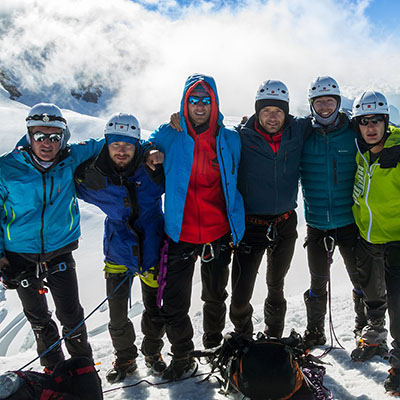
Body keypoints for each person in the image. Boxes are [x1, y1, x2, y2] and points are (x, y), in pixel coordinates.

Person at [147, 73, 245, 380]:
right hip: (180, 232)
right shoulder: (169, 134)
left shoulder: (229, 139)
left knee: (215, 296)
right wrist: (149, 153)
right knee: (175, 302)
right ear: (184, 103)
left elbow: (238, 174)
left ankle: (213, 347)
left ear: (214, 103)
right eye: (193, 100)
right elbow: (144, 148)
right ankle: (183, 356)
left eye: (206, 100)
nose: (199, 106)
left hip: (218, 231)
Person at [0, 103, 104, 371]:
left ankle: (83, 370)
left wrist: (154, 143)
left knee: (71, 315)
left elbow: (112, 142)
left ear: (63, 136)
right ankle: (53, 371)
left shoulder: (71, 157)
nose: (47, 142)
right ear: (29, 135)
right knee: (39, 320)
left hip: (60, 250)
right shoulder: (6, 167)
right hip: (19, 255)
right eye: (40, 135)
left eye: (54, 136)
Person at [75, 113, 166, 383]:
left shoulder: (154, 170)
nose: (122, 150)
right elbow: (59, 168)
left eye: (128, 144)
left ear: (137, 145)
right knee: (117, 316)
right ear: (107, 144)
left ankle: (153, 353)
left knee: (155, 310)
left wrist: (150, 150)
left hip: (152, 249)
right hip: (117, 251)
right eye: (115, 144)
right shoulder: (92, 174)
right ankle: (125, 358)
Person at [229, 80, 311, 339]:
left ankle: (274, 337)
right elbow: (209, 135)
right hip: (250, 226)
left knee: (276, 287)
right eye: (266, 111)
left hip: (285, 224)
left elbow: (331, 119)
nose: (272, 117)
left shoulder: (298, 130)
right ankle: (244, 337)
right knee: (240, 296)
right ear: (257, 111)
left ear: (286, 112)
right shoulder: (241, 136)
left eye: (278, 111)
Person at [299, 76, 367, 349]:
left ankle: (364, 329)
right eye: (319, 102)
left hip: (349, 221)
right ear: (311, 104)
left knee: (360, 279)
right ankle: (315, 332)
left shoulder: (353, 131)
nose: (325, 107)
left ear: (338, 103)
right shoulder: (302, 133)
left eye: (330, 101)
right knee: (318, 282)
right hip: (317, 223)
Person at [350, 90, 400, 395]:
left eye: (376, 121)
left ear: (386, 122)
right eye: (364, 121)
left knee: (399, 304)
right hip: (368, 236)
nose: (370, 127)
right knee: (372, 295)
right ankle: (375, 338)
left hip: (396, 240)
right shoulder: (362, 151)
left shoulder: (398, 151)